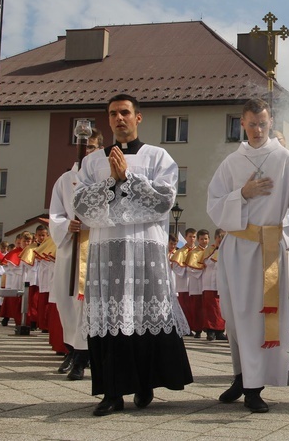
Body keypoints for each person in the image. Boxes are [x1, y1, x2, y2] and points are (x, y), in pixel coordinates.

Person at [73, 93, 193, 416]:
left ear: (138, 117)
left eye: (125, 112)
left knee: (143, 315)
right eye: (113, 114)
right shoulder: (92, 162)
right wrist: (110, 182)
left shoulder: (158, 157)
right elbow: (82, 206)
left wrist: (127, 178)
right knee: (112, 318)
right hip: (107, 252)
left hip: (145, 251)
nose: (119, 119)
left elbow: (164, 201)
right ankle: (111, 393)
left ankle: (145, 384)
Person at [207, 97, 289, 413]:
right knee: (236, 316)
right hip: (237, 249)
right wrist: (242, 194)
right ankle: (241, 376)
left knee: (260, 317)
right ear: (242, 123)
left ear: (271, 124)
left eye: (263, 123)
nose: (257, 129)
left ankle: (255, 388)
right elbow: (214, 205)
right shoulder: (231, 163)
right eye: (251, 123)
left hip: (269, 250)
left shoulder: (285, 159)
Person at [49, 128, 104, 379]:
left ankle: (84, 355)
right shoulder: (64, 180)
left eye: (92, 147)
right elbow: (55, 213)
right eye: (84, 147)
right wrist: (65, 225)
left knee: (89, 303)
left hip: (96, 248)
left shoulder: (104, 178)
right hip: (70, 248)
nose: (87, 152)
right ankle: (72, 349)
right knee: (66, 300)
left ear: (100, 149)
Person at [201, 229, 227, 341]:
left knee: (221, 307)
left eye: (223, 237)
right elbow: (207, 263)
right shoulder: (210, 250)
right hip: (210, 283)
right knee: (211, 307)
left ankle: (220, 331)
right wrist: (217, 253)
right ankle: (210, 331)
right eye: (219, 237)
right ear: (215, 238)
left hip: (222, 282)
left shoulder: (227, 249)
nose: (221, 240)